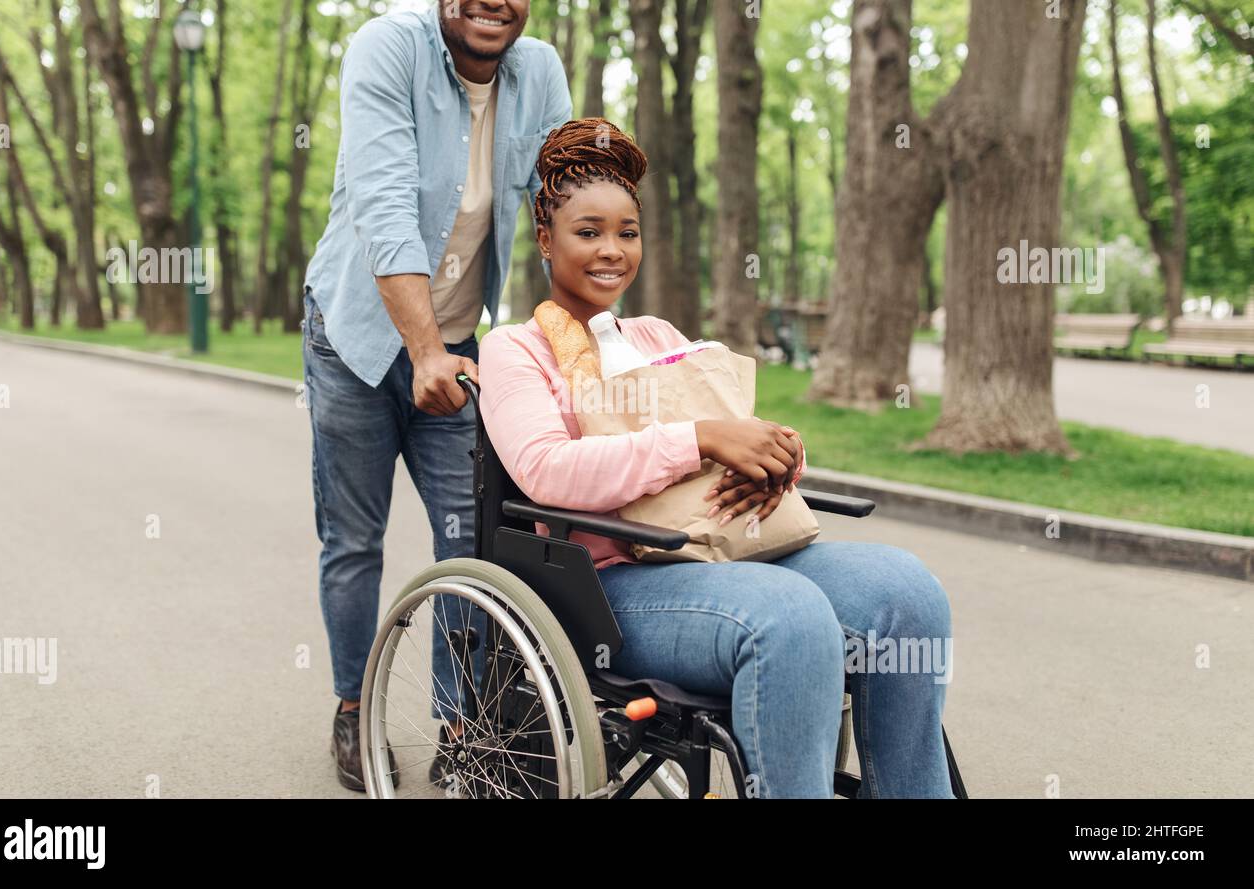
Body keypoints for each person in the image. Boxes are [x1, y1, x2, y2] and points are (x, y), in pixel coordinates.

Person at [477, 119, 955, 798]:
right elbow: (547, 471)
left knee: (908, 592)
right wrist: (698, 439)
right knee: (789, 617)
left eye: (627, 231)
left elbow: (734, 428)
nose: (612, 250)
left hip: (727, 548)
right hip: (611, 583)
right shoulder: (515, 349)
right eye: (588, 232)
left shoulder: (657, 335)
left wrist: (779, 454)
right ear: (546, 239)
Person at [301, 0, 571, 792]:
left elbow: (561, 212)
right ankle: (355, 704)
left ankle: (463, 725)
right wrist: (423, 351)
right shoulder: (388, 47)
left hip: (456, 346)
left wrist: (588, 348)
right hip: (355, 336)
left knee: (470, 542)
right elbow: (384, 207)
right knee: (354, 541)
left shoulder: (540, 72)